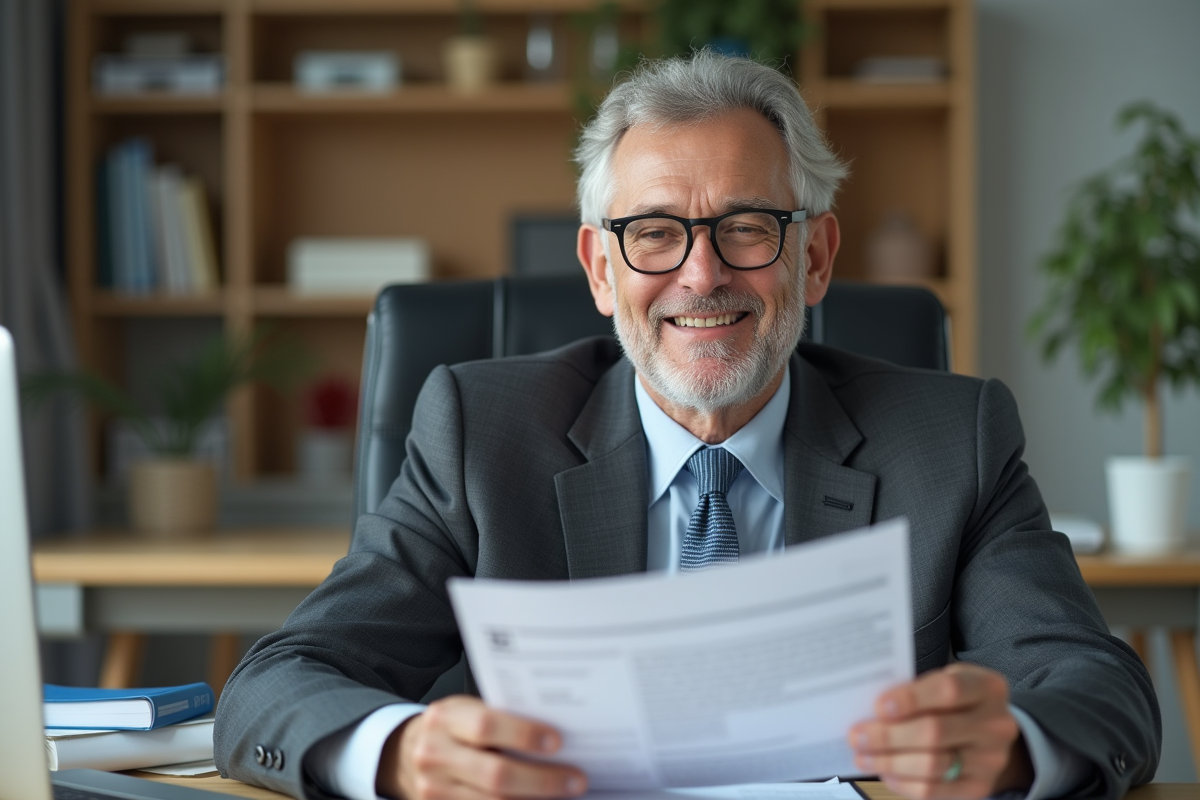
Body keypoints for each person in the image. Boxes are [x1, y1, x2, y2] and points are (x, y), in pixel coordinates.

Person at [213, 51, 1159, 800]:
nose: (701, 276)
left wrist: (1014, 746)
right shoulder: (480, 432)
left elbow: (1098, 687)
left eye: (748, 226)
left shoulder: (955, 438)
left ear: (815, 257)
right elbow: (280, 680)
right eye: (655, 233)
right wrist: (402, 753)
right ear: (599, 270)